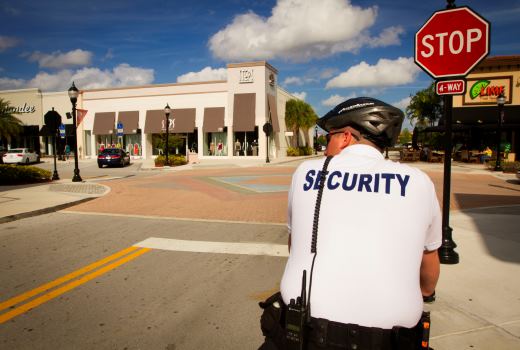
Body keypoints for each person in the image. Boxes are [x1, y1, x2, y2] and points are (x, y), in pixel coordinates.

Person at [260, 97, 441, 349]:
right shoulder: (419, 182)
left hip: (302, 332)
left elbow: (295, 245)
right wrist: (421, 293)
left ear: (346, 136)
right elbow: (429, 265)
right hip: (391, 340)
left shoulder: (306, 172)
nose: (324, 149)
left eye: (328, 138)